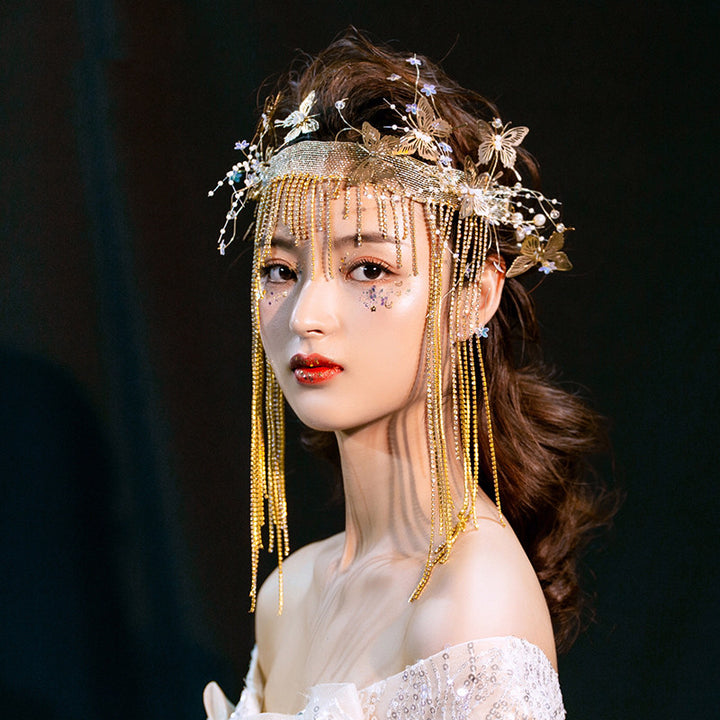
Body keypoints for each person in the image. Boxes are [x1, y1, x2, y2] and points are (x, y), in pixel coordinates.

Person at [204, 29, 612, 720]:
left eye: (370, 268)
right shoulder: (291, 591)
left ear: (471, 298)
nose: (307, 314)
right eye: (281, 270)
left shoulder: (469, 608)